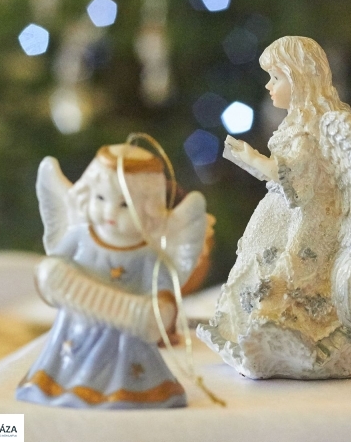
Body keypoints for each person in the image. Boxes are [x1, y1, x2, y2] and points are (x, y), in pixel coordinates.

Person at [198, 36, 351, 379]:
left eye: (276, 77)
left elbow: (296, 181)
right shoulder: (296, 123)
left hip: (303, 224)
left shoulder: (312, 129)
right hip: (281, 216)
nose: (268, 85)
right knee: (260, 266)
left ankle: (300, 338)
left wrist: (251, 159)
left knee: (290, 274)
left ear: (300, 78)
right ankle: (261, 338)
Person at [17, 144, 208, 408]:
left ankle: (125, 392)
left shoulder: (148, 255)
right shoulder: (80, 236)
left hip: (125, 346)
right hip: (75, 333)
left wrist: (158, 312)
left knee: (128, 374)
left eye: (124, 205)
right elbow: (53, 266)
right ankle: (63, 384)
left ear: (150, 208)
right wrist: (52, 275)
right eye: (100, 198)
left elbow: (163, 293)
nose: (109, 213)